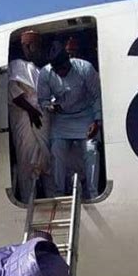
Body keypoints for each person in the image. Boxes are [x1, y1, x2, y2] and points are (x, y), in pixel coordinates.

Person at [37, 49, 102, 200]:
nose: (61, 72)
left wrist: (97, 121)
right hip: (61, 120)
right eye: (57, 70)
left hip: (85, 116)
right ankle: (59, 193)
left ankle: (92, 193)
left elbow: (96, 96)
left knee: (91, 150)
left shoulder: (85, 68)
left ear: (69, 62)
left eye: (64, 68)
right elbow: (42, 100)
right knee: (56, 151)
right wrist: (50, 106)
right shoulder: (45, 74)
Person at [8, 30, 52, 202]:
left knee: (47, 160)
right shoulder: (17, 65)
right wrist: (32, 112)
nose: (38, 50)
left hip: (43, 119)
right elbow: (14, 92)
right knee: (27, 161)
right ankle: (27, 201)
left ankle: (51, 197)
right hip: (25, 119)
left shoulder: (42, 70)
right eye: (35, 46)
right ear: (26, 46)